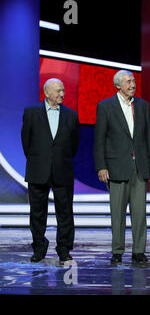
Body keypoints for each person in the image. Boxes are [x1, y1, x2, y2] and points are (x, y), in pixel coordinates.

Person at [94, 70, 150, 265]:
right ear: (118, 85)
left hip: (139, 166)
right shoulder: (105, 106)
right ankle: (117, 250)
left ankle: (139, 251)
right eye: (128, 81)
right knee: (117, 213)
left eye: (133, 80)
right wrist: (101, 166)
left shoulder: (142, 105)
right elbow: (99, 140)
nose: (133, 84)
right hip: (115, 167)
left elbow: (148, 137)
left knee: (140, 213)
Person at [21, 78, 79, 264]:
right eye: (58, 91)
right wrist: (40, 159)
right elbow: (26, 142)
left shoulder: (71, 115)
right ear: (46, 93)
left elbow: (74, 145)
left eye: (63, 90)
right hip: (38, 170)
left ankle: (64, 249)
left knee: (65, 213)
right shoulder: (31, 113)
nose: (62, 94)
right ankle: (39, 247)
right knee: (37, 212)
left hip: (63, 170)